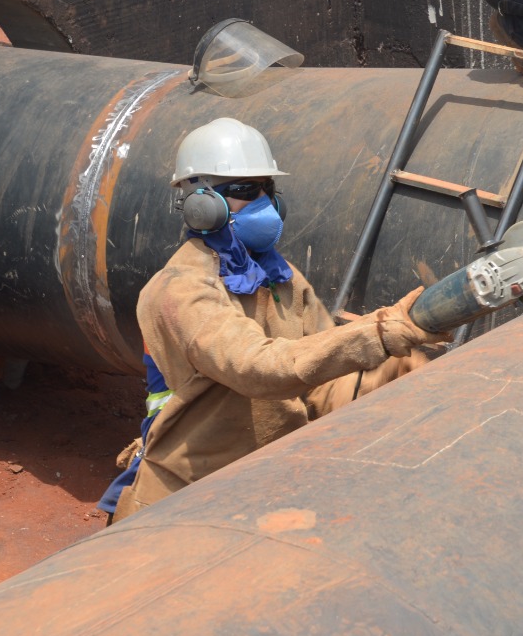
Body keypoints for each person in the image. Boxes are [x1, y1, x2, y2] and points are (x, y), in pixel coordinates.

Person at [99, 117, 446, 521]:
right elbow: (258, 368)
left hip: (266, 480)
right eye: (247, 191)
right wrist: (380, 333)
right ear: (201, 202)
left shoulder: (280, 278)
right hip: (186, 496)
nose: (266, 202)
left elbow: (323, 379)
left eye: (269, 189)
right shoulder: (180, 290)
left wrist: (403, 369)